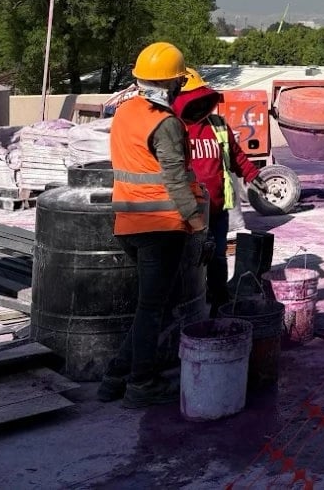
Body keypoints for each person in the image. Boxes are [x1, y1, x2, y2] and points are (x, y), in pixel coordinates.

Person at [100, 42, 208, 407]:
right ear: (174, 84)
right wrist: (197, 223)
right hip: (160, 226)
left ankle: (115, 376)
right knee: (152, 310)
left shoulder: (126, 111)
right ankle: (140, 385)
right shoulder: (166, 124)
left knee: (148, 306)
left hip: (127, 223)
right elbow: (175, 181)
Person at [174, 68, 266, 313]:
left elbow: (235, 156)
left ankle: (219, 302)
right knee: (187, 260)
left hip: (216, 210)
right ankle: (187, 305)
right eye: (194, 101)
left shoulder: (217, 125)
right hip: (186, 211)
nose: (200, 106)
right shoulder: (173, 128)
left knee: (217, 257)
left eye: (204, 100)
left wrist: (253, 175)